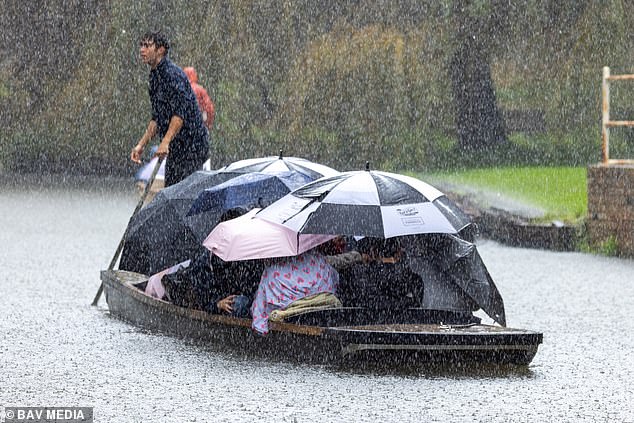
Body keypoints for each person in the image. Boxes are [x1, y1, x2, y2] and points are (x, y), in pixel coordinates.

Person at [131, 31, 209, 187]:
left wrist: (165, 142)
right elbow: (157, 118)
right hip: (177, 147)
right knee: (170, 189)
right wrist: (141, 144)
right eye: (141, 45)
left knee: (183, 192)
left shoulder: (172, 75)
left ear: (160, 50)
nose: (142, 50)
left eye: (147, 45)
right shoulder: (154, 76)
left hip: (192, 144)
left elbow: (179, 114)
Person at [250, 252, 339, 335]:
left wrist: (260, 327)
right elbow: (335, 279)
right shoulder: (318, 259)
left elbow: (261, 311)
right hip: (324, 310)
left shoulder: (272, 272)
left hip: (293, 317)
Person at [183, 67, 215, 131]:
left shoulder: (180, 89)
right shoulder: (200, 90)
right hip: (198, 126)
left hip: (183, 127)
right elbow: (209, 108)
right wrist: (208, 123)